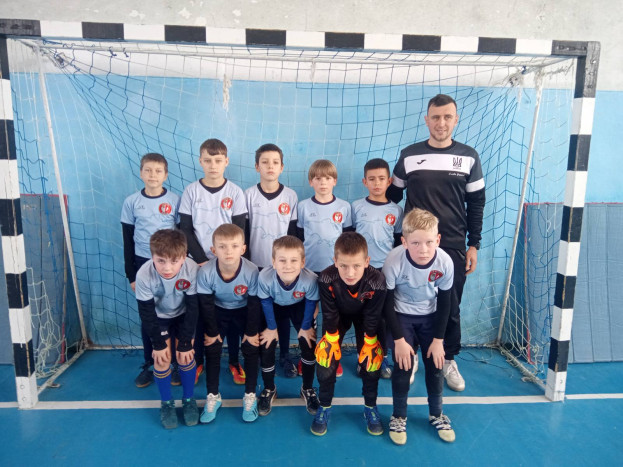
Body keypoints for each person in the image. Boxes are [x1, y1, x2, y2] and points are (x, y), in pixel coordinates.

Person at [387, 94, 485, 392]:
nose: (441, 123)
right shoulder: (409, 155)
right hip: (413, 245)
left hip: (452, 244)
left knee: (449, 305)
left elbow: (476, 202)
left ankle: (448, 359)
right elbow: (391, 196)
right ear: (426, 120)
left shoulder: (469, 156)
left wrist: (473, 244)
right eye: (436, 117)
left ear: (456, 120)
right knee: (407, 302)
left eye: (447, 117)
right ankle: (411, 356)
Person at [382, 208, 455, 444]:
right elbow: (387, 303)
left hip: (430, 317)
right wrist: (399, 340)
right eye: (415, 243)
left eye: (429, 242)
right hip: (401, 316)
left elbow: (446, 303)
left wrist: (438, 340)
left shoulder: (445, 262)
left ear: (438, 240)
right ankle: (398, 416)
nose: (423, 249)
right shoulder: (394, 260)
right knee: (403, 366)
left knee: (436, 364)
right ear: (404, 242)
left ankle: (437, 414)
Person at [179, 138, 248, 386]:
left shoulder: (235, 192)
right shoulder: (191, 191)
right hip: (198, 264)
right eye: (208, 160)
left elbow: (239, 230)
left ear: (226, 162)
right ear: (200, 161)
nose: (213, 165)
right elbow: (185, 229)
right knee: (199, 313)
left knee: (232, 313)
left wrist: (224, 259)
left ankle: (234, 361)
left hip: (228, 262)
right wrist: (201, 260)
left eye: (218, 160)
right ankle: (198, 361)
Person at [311, 232, 386, 437]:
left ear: (367, 262)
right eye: (343, 265)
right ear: (335, 261)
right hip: (338, 318)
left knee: (372, 361)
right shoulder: (326, 278)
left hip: (366, 320)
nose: (350, 272)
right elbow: (329, 313)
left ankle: (370, 407)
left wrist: (370, 341)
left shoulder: (377, 281)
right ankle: (324, 406)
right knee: (326, 359)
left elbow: (373, 315)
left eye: (356, 266)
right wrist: (331, 338)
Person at [121, 152, 181, 388]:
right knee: (149, 315)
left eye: (158, 171)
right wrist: (131, 274)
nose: (152, 175)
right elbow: (127, 240)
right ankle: (150, 363)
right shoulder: (131, 202)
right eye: (148, 170)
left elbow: (182, 236)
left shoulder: (175, 200)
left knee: (173, 313)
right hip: (143, 262)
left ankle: (175, 363)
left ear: (165, 175)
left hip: (171, 264)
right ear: (141, 173)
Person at [134, 229, 199, 429]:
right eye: (160, 261)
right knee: (161, 359)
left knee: (185, 356)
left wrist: (186, 342)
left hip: (183, 315)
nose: (167, 267)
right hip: (158, 318)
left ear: (184, 257)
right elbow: (146, 312)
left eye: (174, 261)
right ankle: (167, 403)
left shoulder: (192, 268)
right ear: (152, 256)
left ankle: (189, 399)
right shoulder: (144, 274)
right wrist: (158, 344)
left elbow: (194, 307)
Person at [196, 224, 261, 423]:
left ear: (243, 249)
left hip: (244, 310)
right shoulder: (206, 271)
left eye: (234, 246)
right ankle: (213, 396)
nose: (228, 251)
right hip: (218, 311)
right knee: (212, 348)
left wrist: (251, 332)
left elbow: (254, 304)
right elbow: (206, 304)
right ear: (213, 250)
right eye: (222, 247)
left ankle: (250, 395)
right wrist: (212, 331)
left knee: (251, 347)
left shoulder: (251, 271)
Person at [245, 143, 299, 378]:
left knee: (283, 311)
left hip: (282, 266)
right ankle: (261, 353)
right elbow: (244, 231)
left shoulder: (290, 196)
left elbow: (293, 233)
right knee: (258, 310)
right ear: (257, 166)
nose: (270, 166)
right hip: (256, 264)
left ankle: (285, 355)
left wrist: (291, 264)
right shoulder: (248, 195)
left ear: (282, 167)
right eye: (265, 162)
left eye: (275, 162)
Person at [297, 159, 353, 378]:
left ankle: (330, 356)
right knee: (309, 316)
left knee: (333, 317)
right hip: (309, 271)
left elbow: (348, 241)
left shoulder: (344, 207)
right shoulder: (303, 206)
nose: (323, 182)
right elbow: (298, 240)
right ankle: (307, 357)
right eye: (318, 178)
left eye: (328, 178)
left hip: (335, 272)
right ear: (311, 181)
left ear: (334, 181)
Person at [351, 158, 404, 380]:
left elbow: (399, 243)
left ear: (389, 181)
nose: (377, 183)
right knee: (361, 317)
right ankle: (362, 357)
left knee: (383, 317)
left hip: (385, 271)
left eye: (381, 179)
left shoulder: (396, 210)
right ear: (365, 182)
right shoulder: (356, 207)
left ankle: (382, 358)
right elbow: (349, 240)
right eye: (371, 179)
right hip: (361, 271)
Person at [256, 235, 320, 416]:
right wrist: (271, 328)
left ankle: (307, 388)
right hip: (274, 306)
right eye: (282, 260)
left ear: (302, 262)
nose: (288, 265)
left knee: (308, 344)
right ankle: (269, 389)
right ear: (273, 262)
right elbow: (265, 302)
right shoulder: (265, 277)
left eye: (294, 260)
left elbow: (311, 303)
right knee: (267, 345)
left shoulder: (310, 279)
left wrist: (306, 327)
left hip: (299, 307)